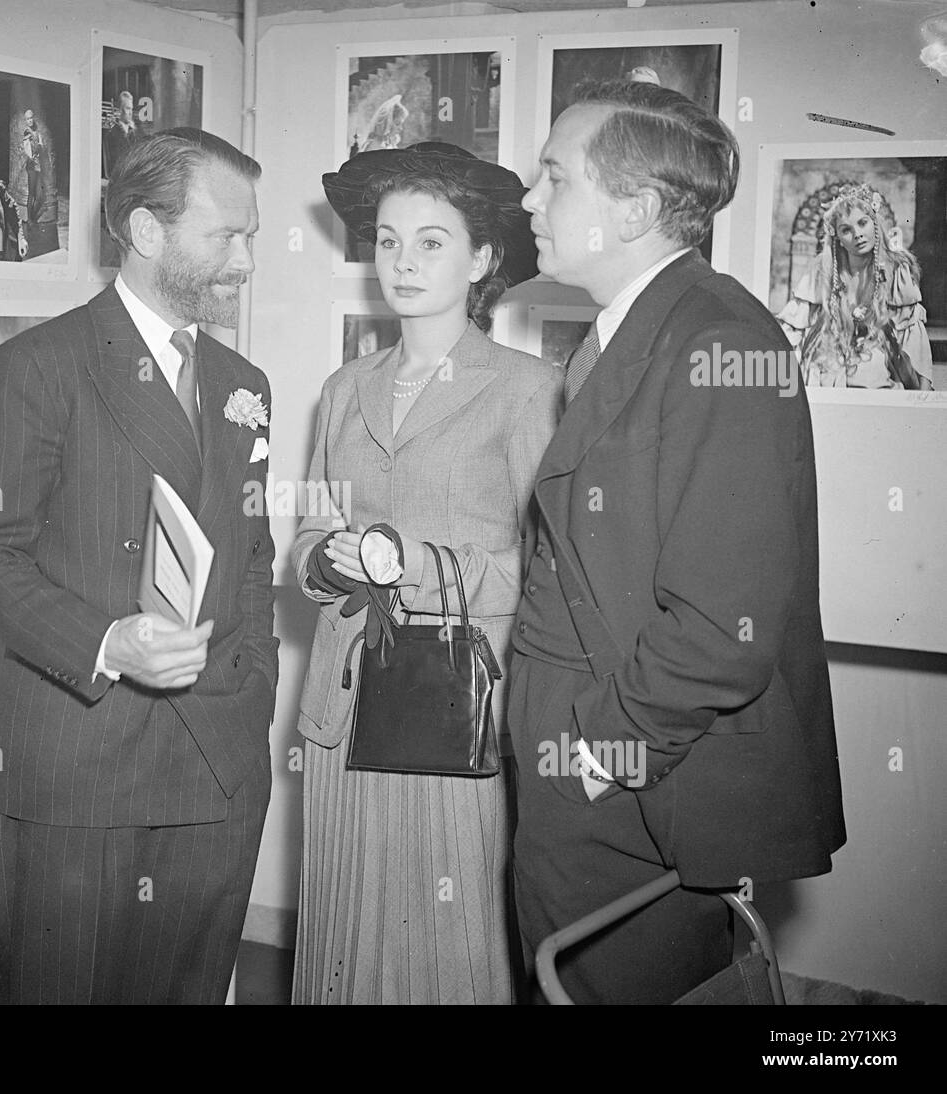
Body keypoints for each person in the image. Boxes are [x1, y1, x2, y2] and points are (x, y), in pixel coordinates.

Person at [510, 78, 845, 1004]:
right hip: (600, 783)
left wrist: (589, 762)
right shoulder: (633, 333)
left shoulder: (719, 340)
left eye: (554, 178)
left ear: (638, 210)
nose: (530, 199)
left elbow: (723, 623)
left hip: (637, 794)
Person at [0, 128, 278, 1005]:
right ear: (144, 229)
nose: (246, 261)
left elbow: (251, 554)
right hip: (81, 763)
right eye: (227, 236)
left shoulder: (246, 382)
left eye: (251, 236)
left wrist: (254, 690)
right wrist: (108, 641)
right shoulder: (35, 368)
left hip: (218, 765)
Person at [289, 143, 559, 1004]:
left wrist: (417, 566)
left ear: (482, 259)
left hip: (452, 713)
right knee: (340, 938)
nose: (403, 263)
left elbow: (548, 577)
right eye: (389, 239)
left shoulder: (529, 392)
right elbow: (305, 540)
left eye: (432, 243)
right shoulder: (341, 389)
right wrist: (326, 562)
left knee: (448, 950)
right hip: (342, 710)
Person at [781, 183, 933, 390]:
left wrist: (924, 400)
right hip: (831, 348)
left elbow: (913, 339)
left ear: (875, 224)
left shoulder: (897, 270)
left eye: (863, 223)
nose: (858, 234)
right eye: (847, 230)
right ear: (839, 239)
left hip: (877, 349)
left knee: (869, 372)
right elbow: (793, 324)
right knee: (818, 374)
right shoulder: (823, 269)